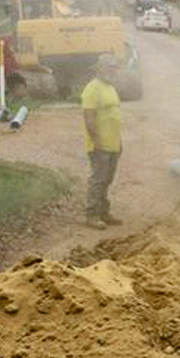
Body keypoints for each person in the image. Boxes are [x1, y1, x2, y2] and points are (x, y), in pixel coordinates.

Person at [81, 54, 124, 229]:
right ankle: (92, 215)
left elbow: (113, 115)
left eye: (114, 67)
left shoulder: (110, 87)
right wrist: (97, 141)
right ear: (99, 68)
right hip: (100, 145)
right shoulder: (92, 89)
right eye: (109, 67)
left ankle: (104, 213)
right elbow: (89, 118)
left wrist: (119, 142)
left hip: (113, 144)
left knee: (107, 179)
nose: (112, 70)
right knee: (98, 179)